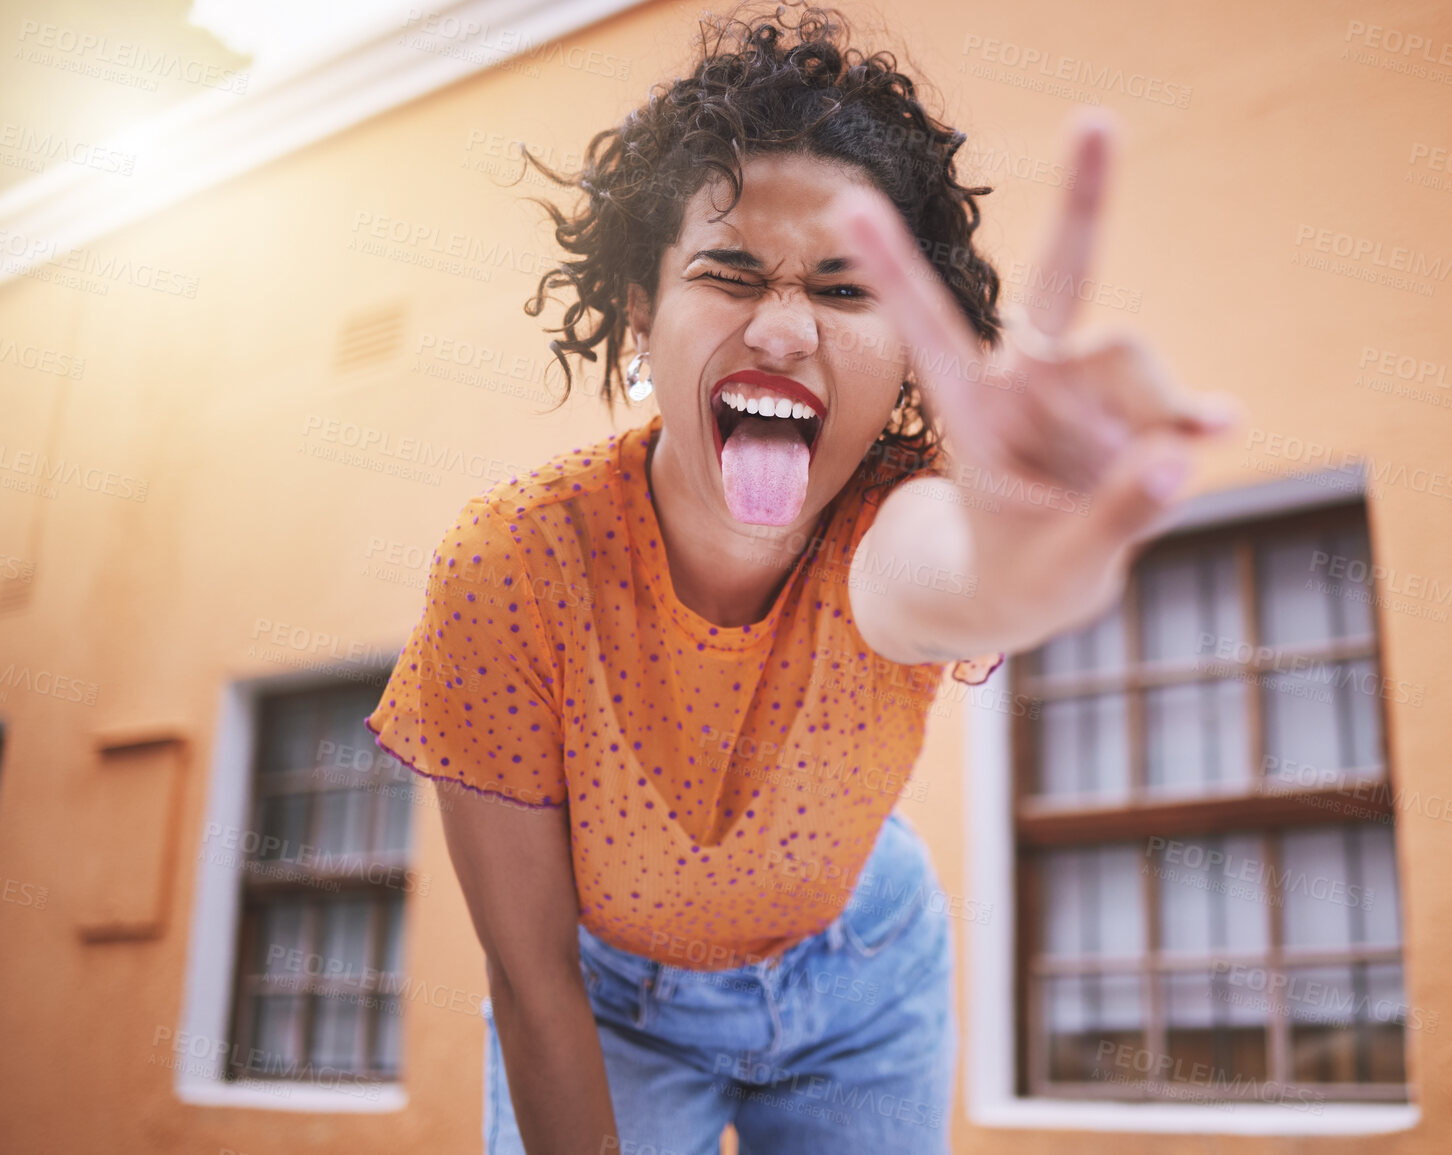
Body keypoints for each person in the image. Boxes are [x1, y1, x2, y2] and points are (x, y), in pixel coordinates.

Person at [364, 3, 1242, 1152]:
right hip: (609, 1009)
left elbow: (944, 573)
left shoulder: (894, 516)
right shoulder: (513, 565)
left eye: (842, 290)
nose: (783, 332)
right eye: (731, 274)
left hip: (868, 984)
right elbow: (532, 988)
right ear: (641, 310)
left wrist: (1020, 558)